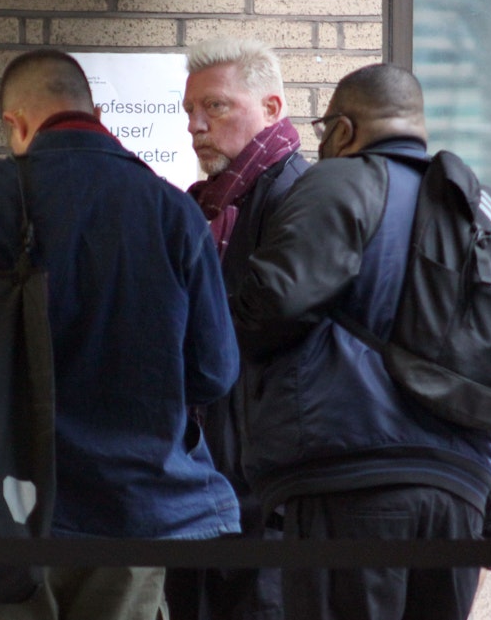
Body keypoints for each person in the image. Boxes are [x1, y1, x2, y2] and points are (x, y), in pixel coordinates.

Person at [0, 48, 242, 620]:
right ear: (94, 111)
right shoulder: (173, 211)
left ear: (15, 123)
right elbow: (214, 371)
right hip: (134, 507)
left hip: (5, 507)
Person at [231, 63, 491, 620]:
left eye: (324, 128)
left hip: (350, 480)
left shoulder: (336, 183)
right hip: (461, 498)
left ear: (345, 130)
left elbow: (267, 310)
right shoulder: (486, 216)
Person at [166, 37, 311, 620]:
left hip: (263, 492)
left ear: (272, 108)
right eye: (188, 112)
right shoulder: (205, 206)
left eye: (216, 107)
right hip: (205, 483)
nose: (196, 126)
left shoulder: (298, 198)